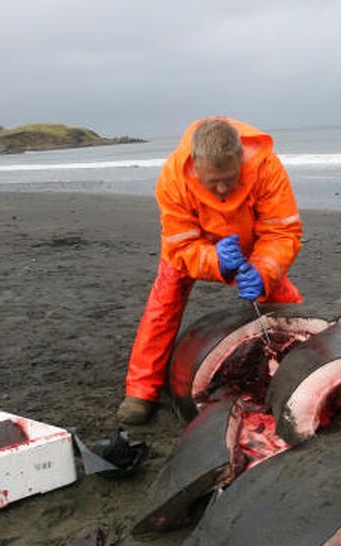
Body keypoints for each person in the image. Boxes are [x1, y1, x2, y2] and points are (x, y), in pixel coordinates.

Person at [117, 116, 303, 425]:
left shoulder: (266, 168)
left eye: (230, 178)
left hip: (248, 238)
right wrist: (215, 261)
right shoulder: (173, 178)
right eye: (212, 180)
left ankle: (312, 351)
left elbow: (281, 232)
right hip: (195, 242)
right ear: (195, 164)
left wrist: (263, 269)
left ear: (240, 159)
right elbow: (180, 244)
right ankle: (140, 390)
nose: (221, 188)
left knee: (279, 293)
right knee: (163, 305)